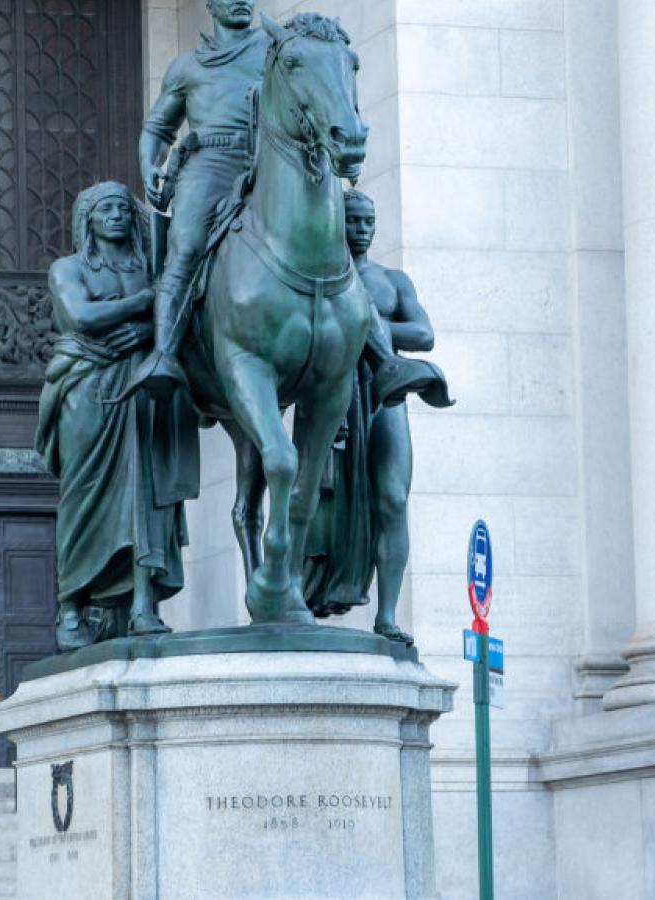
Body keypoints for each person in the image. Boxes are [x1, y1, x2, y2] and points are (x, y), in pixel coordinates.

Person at [35, 183, 197, 651]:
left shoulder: (152, 266)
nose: (116, 216)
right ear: (87, 219)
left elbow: (182, 313)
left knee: (149, 493)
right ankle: (71, 606)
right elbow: (80, 316)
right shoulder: (69, 268)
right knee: (84, 494)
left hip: (145, 383)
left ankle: (144, 605)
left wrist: (146, 328)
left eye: (123, 209)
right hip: (87, 385)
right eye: (105, 209)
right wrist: (149, 302)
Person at [304, 190, 447, 643]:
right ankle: (302, 591)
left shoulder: (393, 281)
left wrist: (374, 326)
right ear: (336, 224)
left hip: (386, 395)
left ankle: (387, 616)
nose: (362, 229)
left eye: (368, 221)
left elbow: (423, 333)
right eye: (353, 221)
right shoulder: (318, 273)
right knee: (315, 503)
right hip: (335, 391)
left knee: (393, 500)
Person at [116, 0, 270, 399]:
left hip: (267, 158)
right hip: (210, 163)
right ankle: (164, 354)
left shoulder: (273, 49)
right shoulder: (187, 67)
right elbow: (158, 128)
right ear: (210, 5)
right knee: (185, 248)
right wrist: (150, 163)